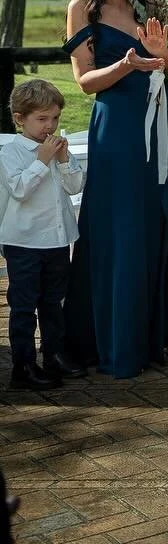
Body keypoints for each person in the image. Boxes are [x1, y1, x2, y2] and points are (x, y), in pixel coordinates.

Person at [62, 0, 168, 379]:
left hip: (163, 121)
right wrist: (128, 64)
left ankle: (151, 332)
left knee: (158, 218)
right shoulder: (82, 9)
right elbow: (84, 80)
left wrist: (163, 54)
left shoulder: (151, 7)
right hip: (117, 126)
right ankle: (110, 340)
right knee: (118, 224)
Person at [1, 80, 87, 390]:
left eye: (54, 118)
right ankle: (23, 367)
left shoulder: (57, 149)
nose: (49, 126)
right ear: (20, 118)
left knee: (53, 302)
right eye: (41, 119)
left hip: (57, 240)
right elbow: (20, 189)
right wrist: (43, 160)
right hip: (23, 242)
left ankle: (54, 355)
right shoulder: (10, 152)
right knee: (24, 306)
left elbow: (75, 187)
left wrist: (63, 161)